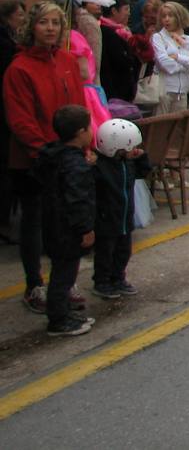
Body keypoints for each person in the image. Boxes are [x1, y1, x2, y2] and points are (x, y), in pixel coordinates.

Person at [3, 0, 87, 314]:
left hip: (67, 157)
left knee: (65, 224)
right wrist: (45, 152)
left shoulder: (66, 60)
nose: (50, 28)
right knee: (35, 222)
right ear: (31, 27)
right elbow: (20, 119)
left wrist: (81, 146)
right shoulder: (19, 67)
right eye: (44, 22)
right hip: (35, 160)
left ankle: (63, 282)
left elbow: (80, 105)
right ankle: (34, 284)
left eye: (56, 23)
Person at [35, 104, 97, 336]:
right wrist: (86, 228)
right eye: (89, 127)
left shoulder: (53, 155)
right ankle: (58, 320)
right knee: (63, 275)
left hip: (52, 223)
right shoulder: (74, 165)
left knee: (62, 272)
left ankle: (62, 312)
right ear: (81, 132)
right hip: (67, 229)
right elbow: (78, 199)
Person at [91, 118, 149, 299]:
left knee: (123, 251)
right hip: (106, 218)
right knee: (105, 253)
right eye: (129, 148)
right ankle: (101, 282)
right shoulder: (99, 168)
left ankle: (118, 278)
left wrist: (142, 158)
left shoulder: (127, 164)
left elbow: (143, 172)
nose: (132, 150)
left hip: (125, 217)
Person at [0, 0, 26, 242]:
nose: (22, 18)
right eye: (19, 14)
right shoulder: (6, 44)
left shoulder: (10, 40)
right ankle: (4, 221)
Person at [152, 2, 189, 115]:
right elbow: (165, 64)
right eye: (164, 16)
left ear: (179, 17)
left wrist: (178, 57)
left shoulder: (188, 40)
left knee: (179, 127)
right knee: (162, 125)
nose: (166, 19)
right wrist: (187, 62)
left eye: (170, 16)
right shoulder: (158, 38)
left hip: (182, 91)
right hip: (164, 90)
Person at [99, 0, 139, 102]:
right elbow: (120, 60)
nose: (129, 14)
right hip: (114, 89)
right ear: (114, 11)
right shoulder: (107, 32)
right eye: (126, 9)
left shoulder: (123, 31)